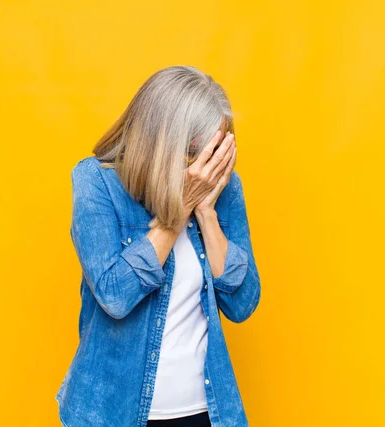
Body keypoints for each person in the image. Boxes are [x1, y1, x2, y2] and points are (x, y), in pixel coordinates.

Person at [55, 65, 261, 427]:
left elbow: (242, 304)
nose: (207, 163)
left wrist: (207, 212)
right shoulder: (96, 182)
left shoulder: (223, 189)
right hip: (113, 413)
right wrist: (179, 210)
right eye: (201, 149)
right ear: (166, 139)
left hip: (207, 411)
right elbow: (114, 296)